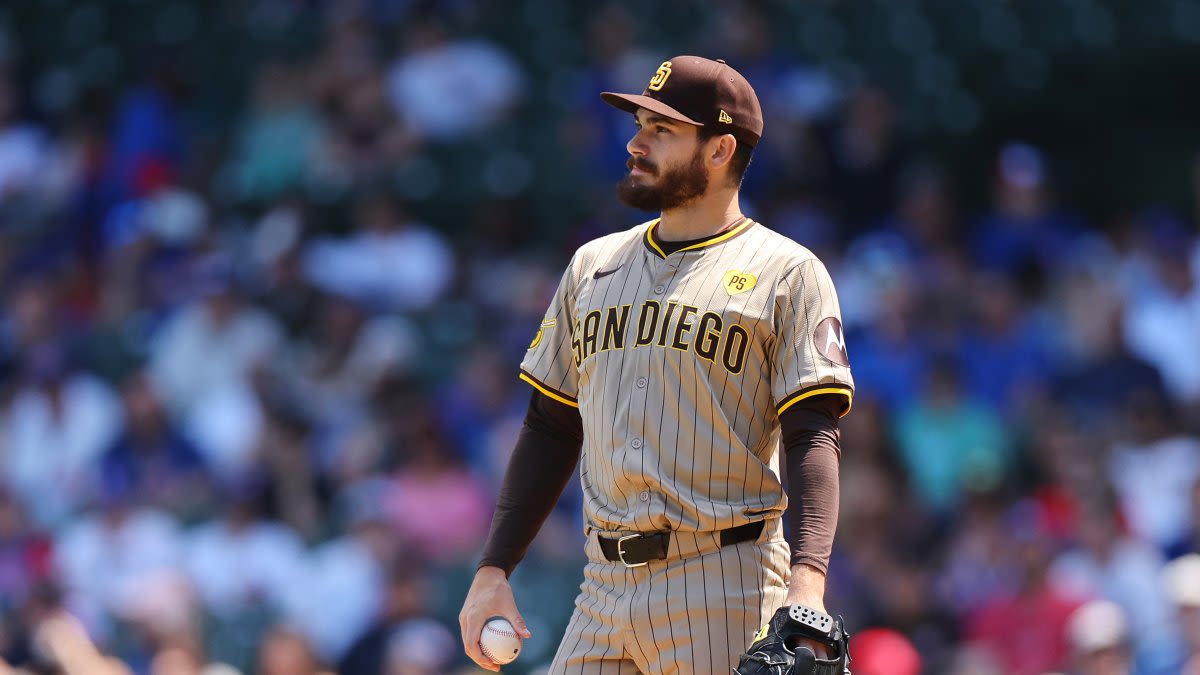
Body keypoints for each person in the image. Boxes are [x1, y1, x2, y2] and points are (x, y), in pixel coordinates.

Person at [459, 55, 854, 674]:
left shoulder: (789, 272)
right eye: (641, 122)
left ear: (722, 149)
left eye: (662, 130)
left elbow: (813, 436)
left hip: (726, 580)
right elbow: (551, 427)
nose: (635, 142)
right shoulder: (593, 265)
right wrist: (493, 569)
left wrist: (808, 587)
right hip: (602, 589)